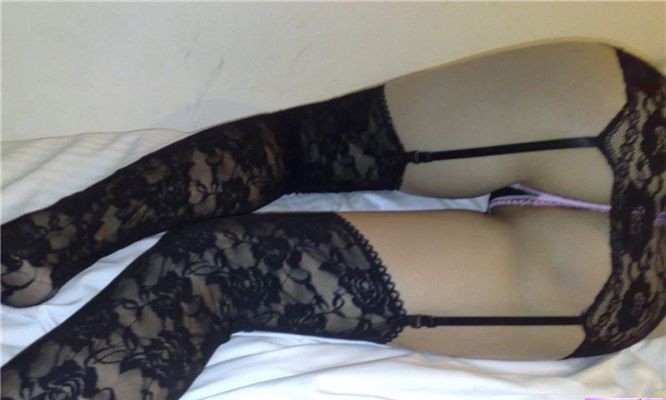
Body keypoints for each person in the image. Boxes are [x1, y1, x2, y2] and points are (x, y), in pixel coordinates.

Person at [1, 40, 664, 400]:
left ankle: (43, 239)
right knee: (215, 267)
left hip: (627, 141)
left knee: (283, 159)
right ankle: (43, 242)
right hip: (630, 257)